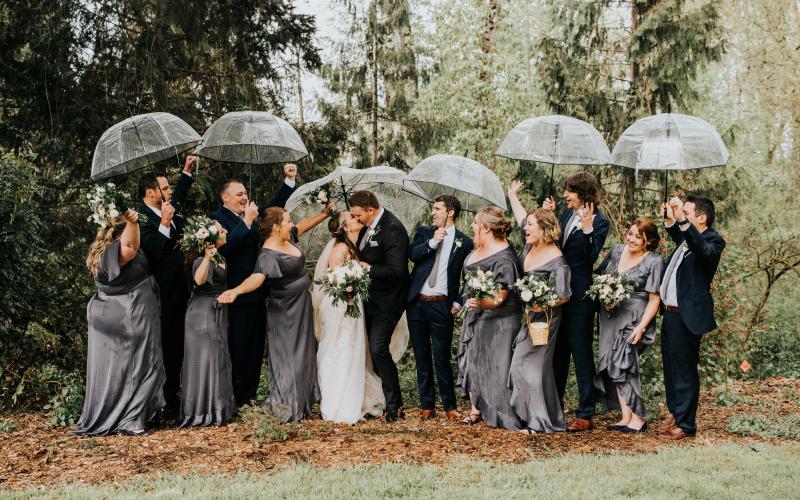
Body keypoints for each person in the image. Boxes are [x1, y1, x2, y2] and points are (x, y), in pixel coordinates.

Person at [217, 206, 330, 422]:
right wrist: (236, 291)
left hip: (301, 305)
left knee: (304, 351)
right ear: (276, 227)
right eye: (288, 221)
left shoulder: (288, 236)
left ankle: (303, 400)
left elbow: (303, 225)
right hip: (285, 310)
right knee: (289, 354)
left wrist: (323, 214)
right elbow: (257, 278)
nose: (292, 224)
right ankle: (288, 403)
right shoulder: (267, 253)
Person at [209, 163, 298, 407]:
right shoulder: (216, 219)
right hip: (236, 293)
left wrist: (288, 181)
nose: (244, 198)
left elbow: (273, 208)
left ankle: (249, 398)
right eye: (239, 194)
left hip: (259, 293)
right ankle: (235, 398)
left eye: (245, 195)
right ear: (225, 197)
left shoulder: (251, 215)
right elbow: (226, 248)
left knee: (255, 348)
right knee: (238, 347)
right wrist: (246, 222)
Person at [73, 210, 165, 436]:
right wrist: (133, 222)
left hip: (113, 314)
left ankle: (124, 414)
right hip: (129, 315)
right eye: (133, 229)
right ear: (122, 231)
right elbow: (131, 248)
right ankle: (130, 420)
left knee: (117, 369)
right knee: (140, 363)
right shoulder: (116, 252)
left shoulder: (101, 251)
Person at [312, 211, 397, 424]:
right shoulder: (340, 248)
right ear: (345, 228)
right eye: (351, 218)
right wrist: (348, 286)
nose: (356, 218)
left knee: (353, 350)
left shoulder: (353, 248)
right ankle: (337, 403)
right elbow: (329, 279)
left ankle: (355, 397)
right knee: (338, 349)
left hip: (351, 304)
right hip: (340, 306)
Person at [542, 172, 609, 431]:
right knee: (558, 352)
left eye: (569, 191)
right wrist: (548, 215)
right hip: (559, 292)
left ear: (582, 193)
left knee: (581, 353)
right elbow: (554, 243)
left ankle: (585, 412)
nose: (564, 195)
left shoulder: (600, 222)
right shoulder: (566, 215)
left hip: (580, 296)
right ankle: (554, 406)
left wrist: (589, 229)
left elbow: (590, 257)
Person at [658, 195, 725, 440]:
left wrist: (681, 222)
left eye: (685, 211)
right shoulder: (688, 238)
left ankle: (686, 425)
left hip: (687, 317)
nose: (681, 214)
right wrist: (669, 221)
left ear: (701, 217)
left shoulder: (713, 241)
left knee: (685, 371)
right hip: (671, 315)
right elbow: (683, 237)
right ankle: (677, 416)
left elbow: (702, 250)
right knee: (671, 370)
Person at [508, 183, 571, 433]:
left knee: (534, 369)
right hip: (528, 318)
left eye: (531, 225)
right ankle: (539, 416)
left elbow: (564, 296)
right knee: (519, 366)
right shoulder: (529, 246)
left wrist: (540, 301)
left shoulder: (558, 262)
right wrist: (512, 195)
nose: (526, 227)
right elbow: (521, 216)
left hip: (546, 320)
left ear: (544, 229)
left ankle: (538, 422)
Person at [137, 155, 196, 417]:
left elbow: (178, 198)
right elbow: (153, 252)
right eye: (165, 187)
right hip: (159, 294)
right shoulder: (141, 219)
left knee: (176, 346)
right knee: (163, 347)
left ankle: (173, 396)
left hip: (180, 291)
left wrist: (186, 172)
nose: (170, 191)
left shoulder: (167, 210)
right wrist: (162, 224)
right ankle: (160, 401)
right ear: (152, 192)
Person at [406, 195, 473, 422]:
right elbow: (412, 254)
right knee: (421, 356)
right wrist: (433, 242)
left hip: (443, 305)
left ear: (450, 212)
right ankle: (426, 405)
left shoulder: (465, 242)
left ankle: (450, 406)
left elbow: (469, 277)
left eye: (437, 209)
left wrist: (458, 302)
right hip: (417, 303)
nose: (433, 212)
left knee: (441, 357)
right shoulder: (425, 233)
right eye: (432, 209)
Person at [593, 217, 663, 433]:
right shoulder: (616, 251)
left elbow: (655, 299)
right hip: (611, 315)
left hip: (634, 318)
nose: (631, 238)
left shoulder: (654, 261)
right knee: (613, 363)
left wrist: (641, 327)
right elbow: (599, 277)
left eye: (637, 237)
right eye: (630, 233)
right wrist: (604, 297)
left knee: (625, 363)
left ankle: (639, 418)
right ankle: (626, 416)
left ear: (648, 241)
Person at [457, 207, 522, 430]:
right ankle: (476, 409)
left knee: (496, 365)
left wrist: (479, 302)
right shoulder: (479, 247)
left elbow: (499, 297)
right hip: (478, 315)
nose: (473, 226)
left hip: (500, 321)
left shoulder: (504, 259)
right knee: (474, 359)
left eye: (476, 223)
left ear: (485, 228)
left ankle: (499, 411)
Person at [349, 190, 410, 423]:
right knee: (371, 354)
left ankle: (396, 407)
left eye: (358, 215)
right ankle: (378, 402)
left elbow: (398, 271)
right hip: (369, 301)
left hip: (388, 302)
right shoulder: (367, 226)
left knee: (378, 349)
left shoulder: (393, 229)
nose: (356, 219)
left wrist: (367, 269)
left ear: (370, 210)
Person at [179, 222, 237, 428]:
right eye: (222, 231)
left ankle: (218, 408)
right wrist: (207, 258)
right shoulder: (200, 261)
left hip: (217, 311)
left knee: (218, 358)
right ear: (211, 239)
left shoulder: (222, 256)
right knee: (207, 360)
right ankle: (202, 411)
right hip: (202, 314)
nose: (227, 231)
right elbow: (199, 280)